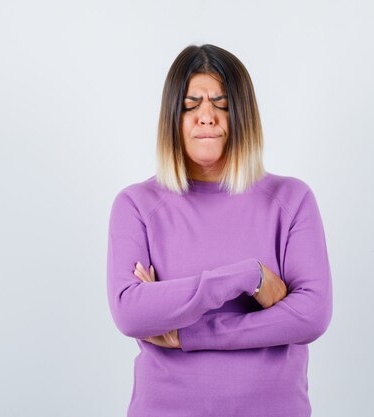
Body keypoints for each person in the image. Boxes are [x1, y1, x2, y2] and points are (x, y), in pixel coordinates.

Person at [106, 44, 333, 417]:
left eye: (221, 104)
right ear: (172, 118)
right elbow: (131, 315)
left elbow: (311, 315)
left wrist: (187, 333)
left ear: (243, 115)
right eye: (191, 105)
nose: (206, 118)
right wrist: (249, 276)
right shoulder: (137, 205)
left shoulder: (292, 199)